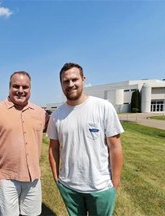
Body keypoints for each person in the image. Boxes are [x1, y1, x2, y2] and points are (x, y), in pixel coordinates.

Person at [47, 62, 124, 216]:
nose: (70, 84)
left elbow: (115, 147)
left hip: (100, 187)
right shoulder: (56, 116)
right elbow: (53, 148)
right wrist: (57, 179)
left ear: (83, 79)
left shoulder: (103, 107)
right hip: (69, 188)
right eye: (65, 81)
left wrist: (114, 184)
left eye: (74, 79)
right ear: (61, 84)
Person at [0, 71, 48, 216]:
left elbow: (60, 129)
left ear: (30, 89)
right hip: (6, 178)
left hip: (33, 178)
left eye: (25, 87)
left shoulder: (40, 113)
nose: (20, 91)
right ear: (9, 87)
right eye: (16, 86)